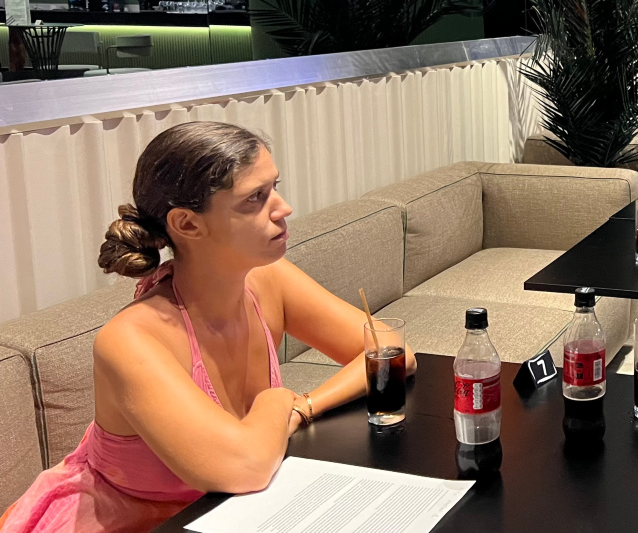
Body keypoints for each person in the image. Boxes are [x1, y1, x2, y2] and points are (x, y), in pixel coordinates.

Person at [0, 122, 416, 533]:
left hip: (230, 512)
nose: (284, 208)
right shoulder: (131, 340)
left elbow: (392, 353)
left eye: (274, 187)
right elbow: (245, 467)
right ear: (187, 224)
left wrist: (303, 406)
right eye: (255, 198)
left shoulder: (269, 280)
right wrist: (276, 400)